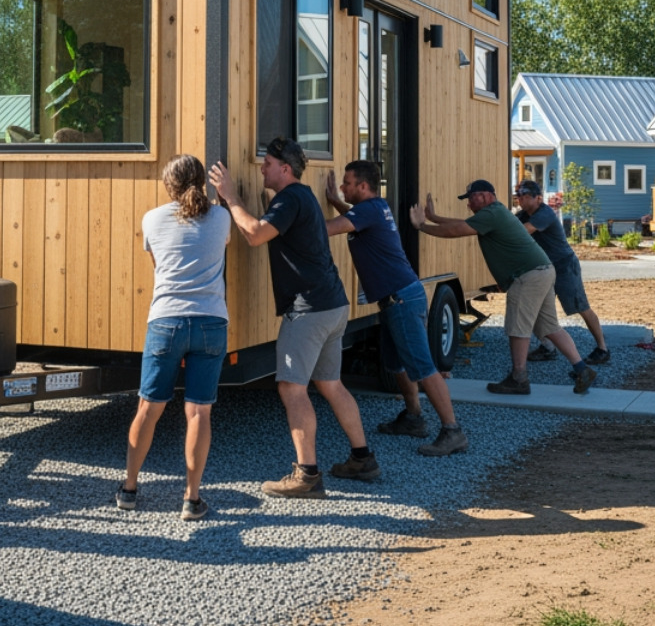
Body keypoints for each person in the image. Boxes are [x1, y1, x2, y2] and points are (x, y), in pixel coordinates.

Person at [209, 138, 377, 498]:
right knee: (331, 384)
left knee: (291, 388)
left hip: (310, 310)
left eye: (268, 164)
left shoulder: (289, 200)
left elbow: (255, 235)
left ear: (285, 169)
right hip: (333, 304)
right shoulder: (301, 197)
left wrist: (231, 197)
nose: (262, 168)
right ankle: (362, 458)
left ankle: (307, 476)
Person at [323, 161, 467, 457]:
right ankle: (414, 418)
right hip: (397, 298)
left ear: (363, 186)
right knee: (396, 363)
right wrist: (336, 201)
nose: (343, 187)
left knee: (424, 368)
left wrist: (289, 218)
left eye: (347, 183)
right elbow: (352, 217)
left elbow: (328, 229)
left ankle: (452, 431)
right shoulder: (375, 208)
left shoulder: (367, 210)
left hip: (401, 299)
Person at [117, 155, 232, 522]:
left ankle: (129, 490)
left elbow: (160, 269)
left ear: (169, 185)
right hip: (211, 321)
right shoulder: (222, 217)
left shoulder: (151, 219)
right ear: (201, 181)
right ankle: (191, 499)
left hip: (166, 321)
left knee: (148, 408)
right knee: (198, 411)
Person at [410, 179, 597, 396]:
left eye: (471, 198)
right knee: (549, 327)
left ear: (485, 196)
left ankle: (519, 378)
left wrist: (422, 226)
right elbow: (462, 223)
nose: (469, 204)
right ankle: (582, 369)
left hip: (527, 275)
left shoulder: (491, 213)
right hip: (543, 270)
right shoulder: (494, 213)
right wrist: (434, 218)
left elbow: (458, 230)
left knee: (518, 327)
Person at [514, 179, 610, 364]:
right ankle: (547, 347)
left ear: (538, 198)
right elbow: (510, 225)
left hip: (564, 266)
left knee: (581, 307)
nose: (520, 200)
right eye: (518, 196)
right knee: (537, 308)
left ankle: (602, 348)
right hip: (544, 269)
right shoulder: (523, 215)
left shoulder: (545, 213)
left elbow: (523, 231)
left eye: (524, 196)